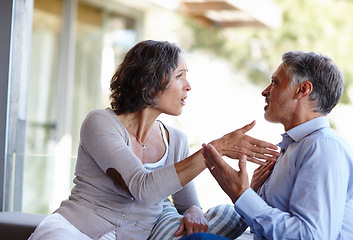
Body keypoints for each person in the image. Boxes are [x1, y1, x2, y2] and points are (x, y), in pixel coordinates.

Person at [28, 40, 279, 240]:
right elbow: (143, 188)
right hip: (73, 229)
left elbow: (187, 204)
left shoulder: (177, 140)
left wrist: (193, 212)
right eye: (180, 75)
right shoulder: (101, 123)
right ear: (152, 78)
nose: (188, 86)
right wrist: (218, 149)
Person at [184, 51, 353, 239]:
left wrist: (242, 195)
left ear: (302, 90)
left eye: (275, 82)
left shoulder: (323, 147)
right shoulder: (295, 146)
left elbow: (311, 236)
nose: (265, 91)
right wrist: (249, 194)